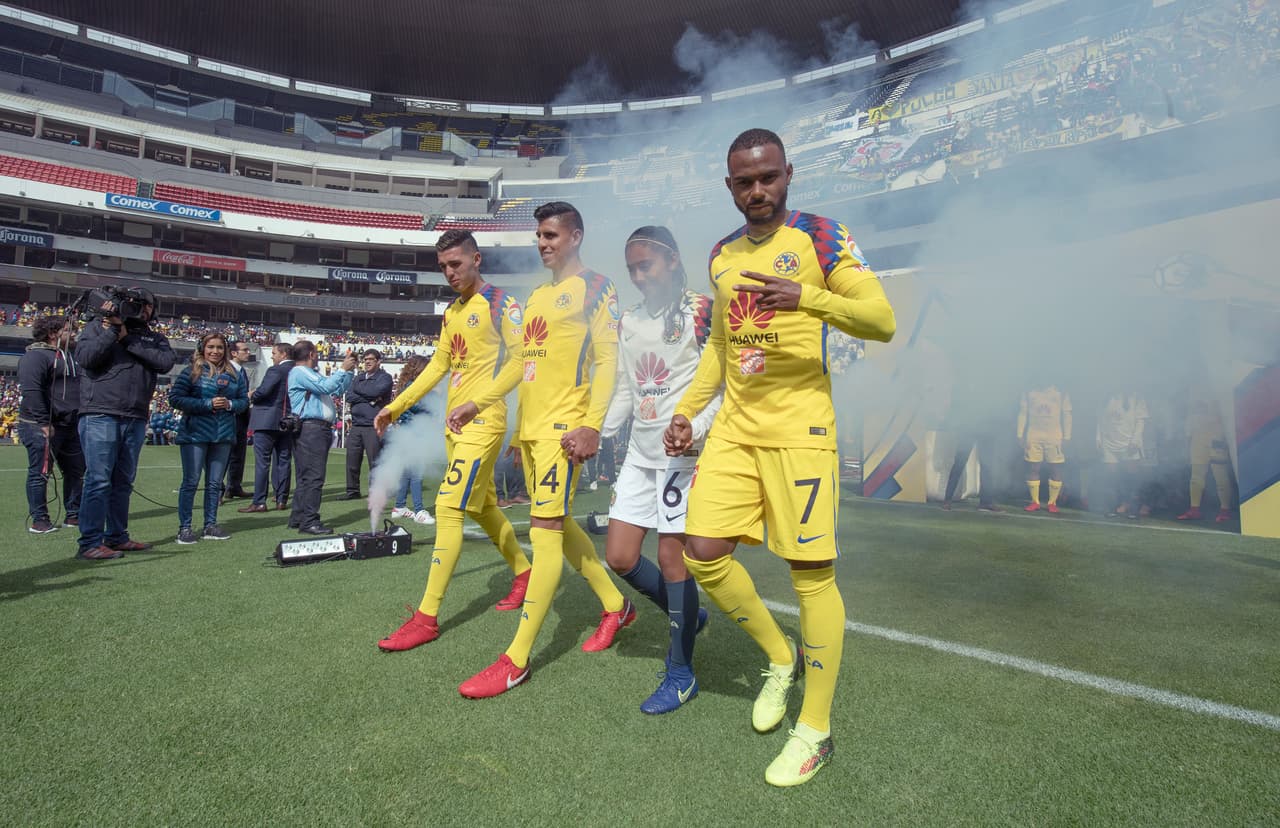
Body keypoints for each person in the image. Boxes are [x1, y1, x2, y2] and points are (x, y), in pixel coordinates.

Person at [664, 128, 895, 786]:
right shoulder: (721, 255)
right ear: (729, 185)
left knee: (811, 577)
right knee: (702, 552)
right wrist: (687, 411)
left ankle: (814, 731)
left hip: (801, 431)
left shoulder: (822, 238)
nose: (757, 190)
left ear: (788, 174)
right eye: (744, 180)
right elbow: (720, 350)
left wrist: (808, 298)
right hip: (735, 430)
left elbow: (881, 321)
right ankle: (779, 655)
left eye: (768, 177)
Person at [447, 202, 632, 696]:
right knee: (560, 524)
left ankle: (516, 658)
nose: (543, 243)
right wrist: (480, 404)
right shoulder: (537, 297)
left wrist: (593, 425)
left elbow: (609, 361)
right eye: (539, 236)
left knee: (545, 534)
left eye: (551, 234)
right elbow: (520, 367)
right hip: (532, 434)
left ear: (576, 235)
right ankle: (617, 607)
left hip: (565, 432)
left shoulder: (597, 287)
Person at [374, 229, 532, 651]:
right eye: (443, 266)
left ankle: (427, 617)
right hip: (456, 426)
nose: (449, 272)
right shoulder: (452, 312)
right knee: (481, 507)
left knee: (447, 506)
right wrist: (397, 405)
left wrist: (478, 404)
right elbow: (437, 366)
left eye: (456, 264)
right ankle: (524, 573)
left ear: (477, 259)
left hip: (484, 423)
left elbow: (522, 361)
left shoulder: (503, 304)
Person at [603, 225, 720, 714]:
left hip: (684, 457)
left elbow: (722, 386)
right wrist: (599, 432)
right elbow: (630, 390)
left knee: (675, 563)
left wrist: (694, 427)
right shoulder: (628, 321)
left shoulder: (703, 311)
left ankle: (681, 671)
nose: (637, 276)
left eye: (644, 265)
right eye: (630, 268)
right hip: (640, 455)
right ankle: (688, 617)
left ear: (671, 262)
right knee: (621, 557)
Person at [74, 289, 175, 560]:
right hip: (100, 412)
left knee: (123, 481)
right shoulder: (97, 327)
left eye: (147, 305)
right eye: (136, 305)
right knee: (98, 480)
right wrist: (112, 330)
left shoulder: (153, 337)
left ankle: (117, 537)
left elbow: (165, 363)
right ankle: (90, 542)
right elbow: (85, 359)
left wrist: (127, 338)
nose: (142, 309)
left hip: (135, 415)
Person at [167, 333, 248, 543]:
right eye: (211, 347)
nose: (215, 351)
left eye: (219, 347)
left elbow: (242, 401)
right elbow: (175, 398)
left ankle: (210, 525)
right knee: (191, 482)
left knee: (214, 484)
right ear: (202, 348)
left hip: (223, 434)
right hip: (195, 433)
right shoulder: (191, 371)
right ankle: (184, 528)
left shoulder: (234, 375)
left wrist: (230, 405)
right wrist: (206, 404)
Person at [17, 314, 84, 533]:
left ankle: (73, 514)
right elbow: (32, 391)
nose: (73, 334)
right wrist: (44, 422)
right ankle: (40, 520)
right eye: (68, 330)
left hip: (70, 425)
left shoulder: (72, 356)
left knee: (76, 471)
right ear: (53, 333)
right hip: (41, 425)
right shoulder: (36, 356)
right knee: (40, 473)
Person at [288, 341, 355, 535]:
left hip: (315, 428)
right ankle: (309, 521)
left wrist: (348, 372)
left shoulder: (308, 374)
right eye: (316, 353)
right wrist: (342, 369)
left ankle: (299, 517)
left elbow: (335, 390)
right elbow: (327, 387)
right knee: (314, 476)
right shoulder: (301, 372)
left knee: (306, 476)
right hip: (312, 428)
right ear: (311, 354)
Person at [239, 343, 294, 513]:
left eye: (275, 353)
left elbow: (264, 392)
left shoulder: (275, 370)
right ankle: (281, 499)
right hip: (288, 421)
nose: (272, 356)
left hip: (266, 420)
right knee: (284, 461)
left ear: (283, 354)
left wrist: (252, 394)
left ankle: (259, 501)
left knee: (263, 462)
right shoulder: (298, 370)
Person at [385, 355, 435, 525]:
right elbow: (418, 406)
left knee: (407, 472)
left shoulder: (406, 385)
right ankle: (419, 509)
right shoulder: (413, 386)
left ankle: (400, 506)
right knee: (417, 472)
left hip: (408, 432)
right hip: (414, 433)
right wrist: (434, 400)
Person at [1177, 388, 1236, 522]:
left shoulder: (1220, 386)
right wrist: (1188, 436)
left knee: (1220, 476)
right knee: (1196, 477)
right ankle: (1194, 509)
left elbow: (1227, 413)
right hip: (1197, 438)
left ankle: (1225, 510)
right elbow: (1190, 415)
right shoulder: (1194, 389)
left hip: (1217, 438)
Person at [342, 349, 392, 500]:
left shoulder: (385, 378)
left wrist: (365, 393)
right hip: (356, 425)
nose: (367, 362)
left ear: (378, 361)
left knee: (375, 461)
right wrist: (369, 397)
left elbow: (375, 391)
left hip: (373, 425)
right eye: (365, 360)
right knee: (352, 460)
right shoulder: (359, 378)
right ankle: (352, 491)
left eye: (371, 359)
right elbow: (350, 396)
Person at [1020, 383, 1072, 513]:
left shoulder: (1061, 391)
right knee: (1033, 467)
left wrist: (1067, 437)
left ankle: (1052, 503)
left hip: (1054, 435)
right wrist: (1019, 435)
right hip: (1034, 434)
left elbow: (1067, 414)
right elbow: (1022, 413)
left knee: (1055, 467)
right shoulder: (1029, 391)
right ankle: (1035, 502)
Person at [1097, 389, 1149, 518]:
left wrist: (1136, 441)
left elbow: (1140, 422)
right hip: (1109, 442)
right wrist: (1098, 438)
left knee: (1131, 476)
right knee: (1112, 476)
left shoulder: (1137, 398)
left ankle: (1132, 507)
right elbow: (1100, 420)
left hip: (1129, 443)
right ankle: (1113, 506)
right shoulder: (1107, 396)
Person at [222, 340, 256, 500]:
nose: (248, 353)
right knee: (224, 454)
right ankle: (217, 490)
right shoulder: (226, 370)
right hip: (229, 416)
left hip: (241, 417)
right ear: (234, 353)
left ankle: (234, 486)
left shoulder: (242, 371)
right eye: (245, 350)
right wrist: (245, 396)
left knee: (238, 454)